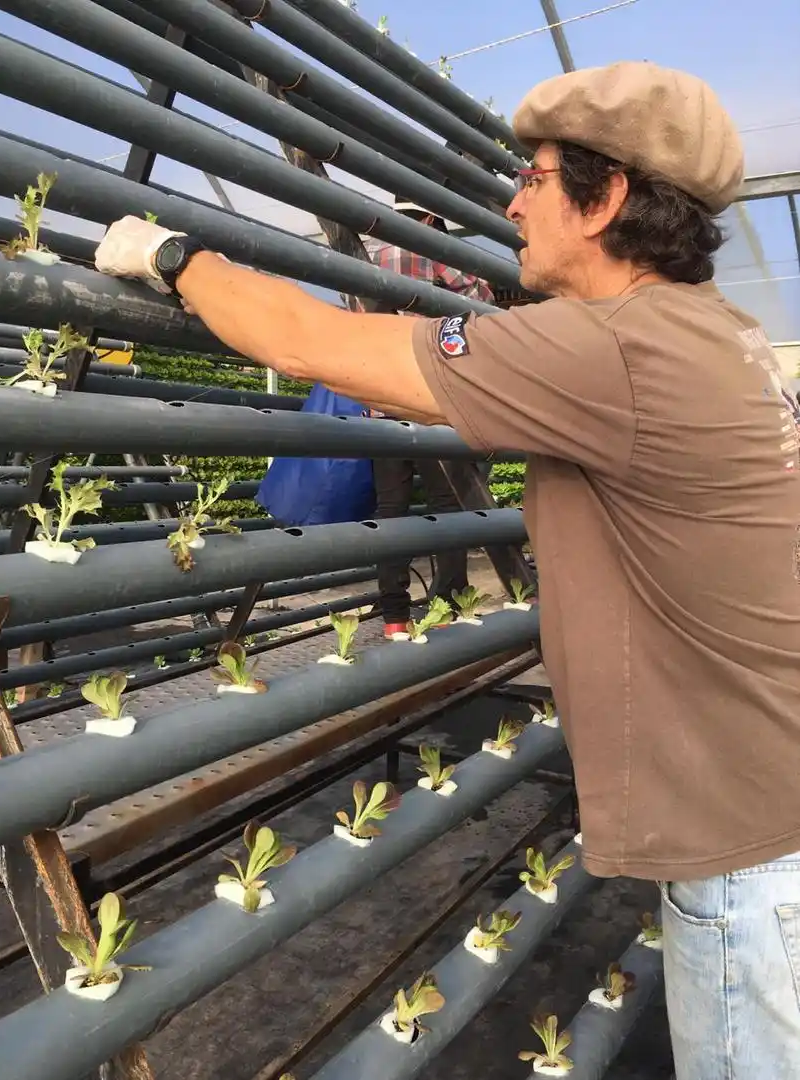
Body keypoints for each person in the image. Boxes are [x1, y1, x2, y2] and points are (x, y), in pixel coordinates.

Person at [95, 61, 800, 1078]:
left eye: (538, 177)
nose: (513, 200)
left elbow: (309, 341)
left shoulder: (606, 349)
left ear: (602, 202)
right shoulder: (718, 336)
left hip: (749, 872)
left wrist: (172, 255)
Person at [361, 195, 495, 637]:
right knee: (447, 506)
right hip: (429, 400)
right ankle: (448, 603)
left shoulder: (368, 250)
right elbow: (480, 300)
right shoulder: (433, 249)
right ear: (431, 215)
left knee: (391, 509)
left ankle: (394, 616)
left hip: (381, 404)